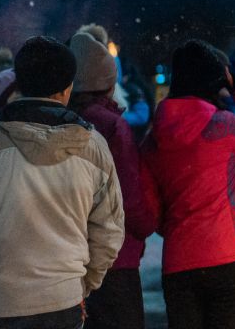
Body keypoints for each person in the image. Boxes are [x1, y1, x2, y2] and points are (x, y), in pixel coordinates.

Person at [142, 40, 235, 329]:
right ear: (214, 79)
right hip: (231, 255)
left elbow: (150, 205)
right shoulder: (224, 126)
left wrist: (176, 226)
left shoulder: (155, 138)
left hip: (179, 261)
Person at [0, 36, 125, 328]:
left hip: (1, 301)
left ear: (19, 83)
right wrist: (83, 283)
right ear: (67, 90)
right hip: (63, 299)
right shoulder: (93, 146)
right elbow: (110, 231)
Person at [69, 32, 156, 329]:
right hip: (116, 257)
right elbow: (128, 193)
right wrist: (146, 223)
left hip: (75, 256)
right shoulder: (112, 126)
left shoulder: (65, 121)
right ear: (107, 81)